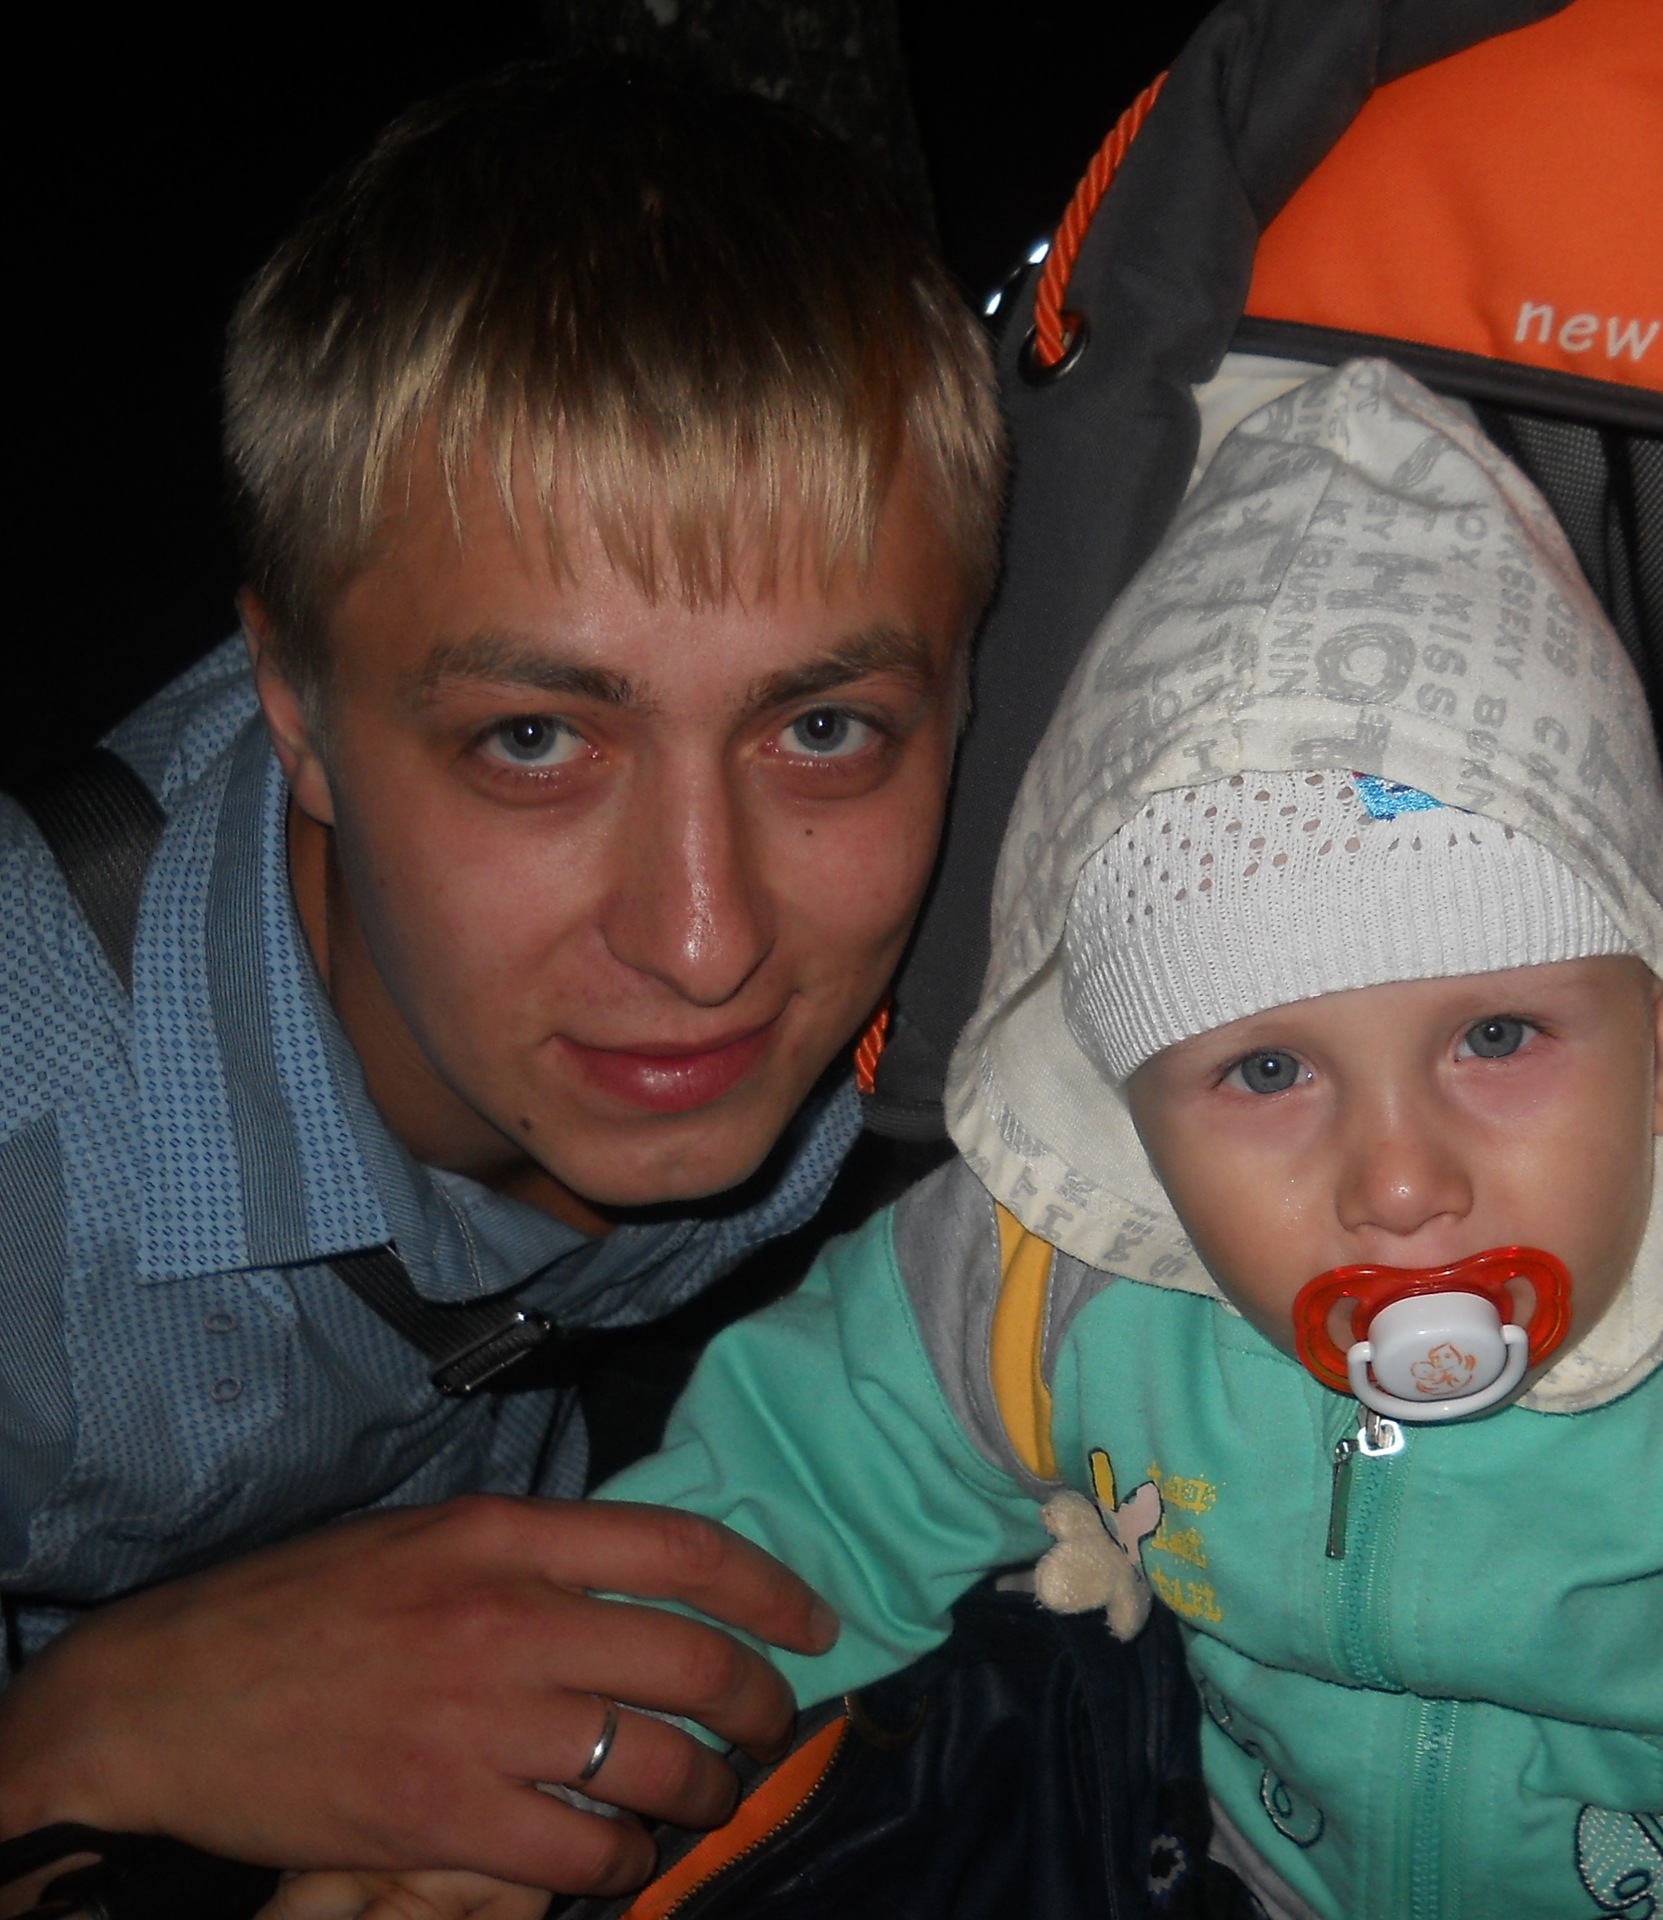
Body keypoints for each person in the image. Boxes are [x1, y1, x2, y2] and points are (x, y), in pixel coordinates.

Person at [339, 360, 1663, 1919]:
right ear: (1127, 1113)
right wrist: (569, 1764)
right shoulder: (1048, 1280)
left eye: (1497, 1038)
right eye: (1263, 1075)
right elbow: (790, 1502)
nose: (1398, 1180)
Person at [0, 58, 1002, 1902]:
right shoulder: (32, 1162)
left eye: (823, 726)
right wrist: (82, 1731)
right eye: (534, 740)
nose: (704, 944)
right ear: (297, 709)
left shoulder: (958, 954)